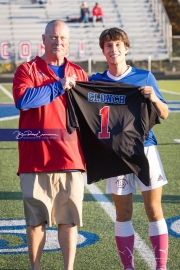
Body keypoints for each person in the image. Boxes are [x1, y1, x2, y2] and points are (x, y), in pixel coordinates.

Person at [89, 27, 169, 270]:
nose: (114, 50)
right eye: (108, 46)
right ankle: (128, 267)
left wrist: (154, 97)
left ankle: (161, 266)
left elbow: (164, 113)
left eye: (117, 45)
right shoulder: (95, 82)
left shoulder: (144, 77)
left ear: (126, 48)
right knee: (123, 213)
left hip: (145, 150)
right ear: (103, 51)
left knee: (154, 209)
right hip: (116, 155)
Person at [12, 20, 88, 270]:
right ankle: (36, 268)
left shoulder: (79, 72)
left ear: (69, 42)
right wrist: (58, 86)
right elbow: (24, 101)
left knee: (68, 220)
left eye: (63, 38)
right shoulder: (26, 69)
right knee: (35, 222)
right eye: (53, 37)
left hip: (70, 157)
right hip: (36, 157)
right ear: (43, 40)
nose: (58, 42)